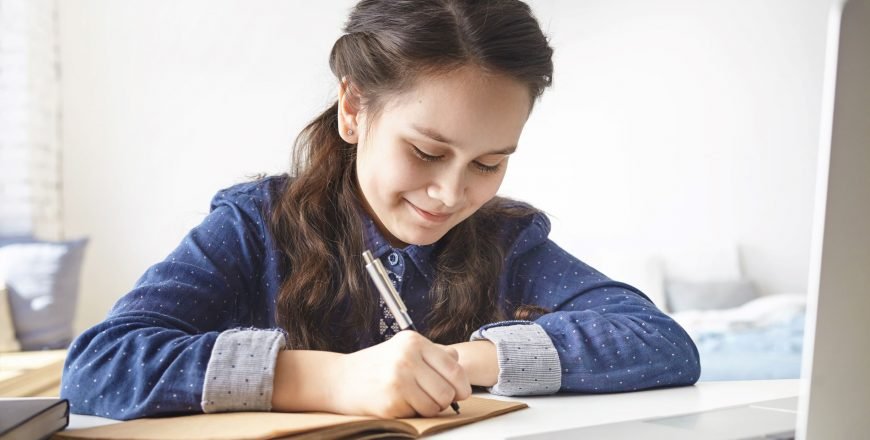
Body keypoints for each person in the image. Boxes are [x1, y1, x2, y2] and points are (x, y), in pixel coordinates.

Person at [61, 0, 700, 420]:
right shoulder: (255, 225)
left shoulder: (504, 240)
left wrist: (458, 362)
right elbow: (98, 366)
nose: (451, 195)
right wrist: (330, 381)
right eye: (425, 151)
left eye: (488, 164)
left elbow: (663, 344)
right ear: (354, 109)